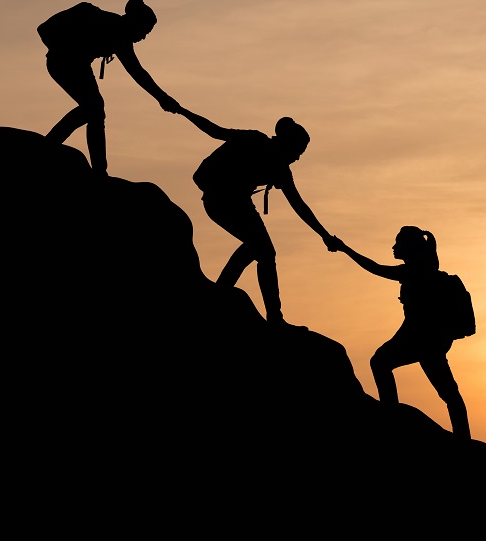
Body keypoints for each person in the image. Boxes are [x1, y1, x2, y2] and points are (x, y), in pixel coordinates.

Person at [179, 109, 340, 329]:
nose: (298, 157)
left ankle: (224, 294)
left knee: (258, 249)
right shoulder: (254, 140)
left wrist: (324, 235)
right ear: (287, 143)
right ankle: (271, 316)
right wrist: (181, 110)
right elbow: (215, 131)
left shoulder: (280, 170)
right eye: (298, 150)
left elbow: (299, 205)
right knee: (263, 250)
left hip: (238, 203)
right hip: (220, 200)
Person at [334, 226, 470, 438]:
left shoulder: (414, 271)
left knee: (380, 363)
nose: (394, 247)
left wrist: (344, 249)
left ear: (409, 247)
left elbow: (375, 268)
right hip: (426, 338)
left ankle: (391, 417)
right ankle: (462, 437)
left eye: (398, 243)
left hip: (421, 338)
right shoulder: (422, 270)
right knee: (448, 392)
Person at [39, 0, 181, 175]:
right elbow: (137, 73)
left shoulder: (120, 36)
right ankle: (55, 149)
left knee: (94, 110)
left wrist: (163, 98)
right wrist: (62, 49)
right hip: (63, 63)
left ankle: (91, 166)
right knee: (94, 108)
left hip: (78, 65)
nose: (143, 37)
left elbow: (138, 73)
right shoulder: (105, 23)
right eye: (144, 31)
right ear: (134, 22)